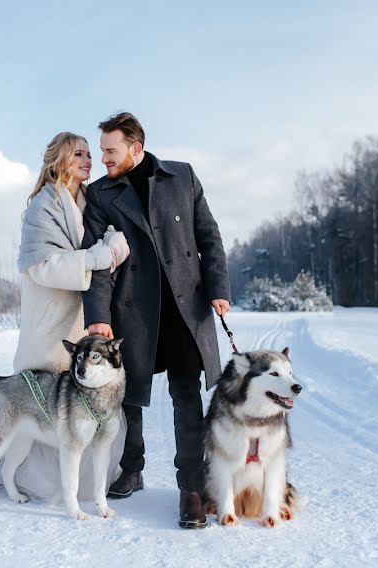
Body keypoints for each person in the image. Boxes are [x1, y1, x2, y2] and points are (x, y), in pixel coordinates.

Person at [82, 112, 231, 529]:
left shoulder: (181, 177)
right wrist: (97, 316)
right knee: (129, 396)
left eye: (110, 151)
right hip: (133, 310)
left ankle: (192, 489)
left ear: (135, 148)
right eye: (101, 151)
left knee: (187, 397)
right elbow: (95, 262)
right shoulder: (100, 195)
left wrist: (219, 287)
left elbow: (209, 236)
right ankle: (132, 468)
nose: (103, 159)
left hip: (185, 307)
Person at [10, 131, 130, 503]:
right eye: (79, 154)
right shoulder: (42, 206)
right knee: (47, 401)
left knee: (90, 400)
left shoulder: (89, 200)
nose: (88, 160)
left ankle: (90, 484)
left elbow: (114, 240)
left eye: (90, 154)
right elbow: (41, 266)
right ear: (59, 158)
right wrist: (96, 257)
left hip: (82, 318)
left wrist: (115, 247)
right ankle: (35, 482)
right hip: (49, 320)